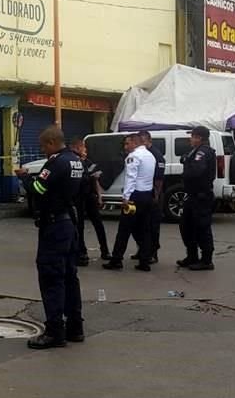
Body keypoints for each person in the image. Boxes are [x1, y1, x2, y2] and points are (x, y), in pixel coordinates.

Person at [15, 126, 84, 349]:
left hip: (54, 225)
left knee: (51, 277)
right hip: (69, 223)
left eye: (44, 146)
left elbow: (38, 189)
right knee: (69, 277)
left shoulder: (56, 162)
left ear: (52, 142)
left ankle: (55, 331)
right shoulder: (75, 160)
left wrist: (25, 179)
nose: (43, 150)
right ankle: (75, 327)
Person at [103, 132, 156, 272]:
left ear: (135, 143)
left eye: (127, 143)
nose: (125, 147)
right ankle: (145, 261)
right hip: (147, 195)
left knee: (124, 229)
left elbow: (131, 178)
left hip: (134, 197)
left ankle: (116, 260)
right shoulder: (150, 156)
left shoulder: (133, 157)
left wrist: (126, 198)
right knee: (144, 229)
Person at [177, 126, 217, 271]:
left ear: (199, 138)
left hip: (201, 196)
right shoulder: (196, 151)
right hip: (193, 196)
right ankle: (192, 255)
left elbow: (196, 170)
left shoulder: (203, 151)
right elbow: (184, 158)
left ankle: (206, 260)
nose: (190, 139)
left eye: (193, 136)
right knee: (186, 226)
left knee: (202, 228)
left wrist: (187, 164)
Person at [68, 137, 111, 266]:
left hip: (89, 196)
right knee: (79, 226)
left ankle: (105, 250)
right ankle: (82, 253)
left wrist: (99, 195)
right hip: (77, 198)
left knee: (98, 223)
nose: (85, 150)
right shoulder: (73, 161)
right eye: (84, 148)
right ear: (77, 147)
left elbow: (95, 179)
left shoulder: (88, 162)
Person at [132, 130, 165, 264]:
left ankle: (152, 252)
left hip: (153, 194)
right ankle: (143, 249)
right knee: (139, 225)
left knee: (152, 226)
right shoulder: (141, 154)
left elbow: (159, 178)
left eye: (143, 141)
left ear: (149, 141)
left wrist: (156, 196)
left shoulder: (156, 155)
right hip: (143, 193)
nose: (141, 144)